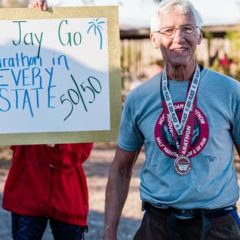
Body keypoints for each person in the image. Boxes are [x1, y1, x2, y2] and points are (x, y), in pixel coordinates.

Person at [103, 0, 240, 240]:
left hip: (217, 225)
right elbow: (121, 168)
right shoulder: (139, 98)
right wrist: (109, 232)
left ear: (199, 36)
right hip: (158, 226)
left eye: (187, 28)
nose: (178, 37)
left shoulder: (229, 91)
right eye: (168, 30)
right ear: (154, 39)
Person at [2, 1, 93, 240]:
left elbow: (81, 150)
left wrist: (58, 145)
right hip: (26, 192)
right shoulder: (22, 80)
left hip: (67, 198)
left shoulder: (82, 97)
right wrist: (32, 23)